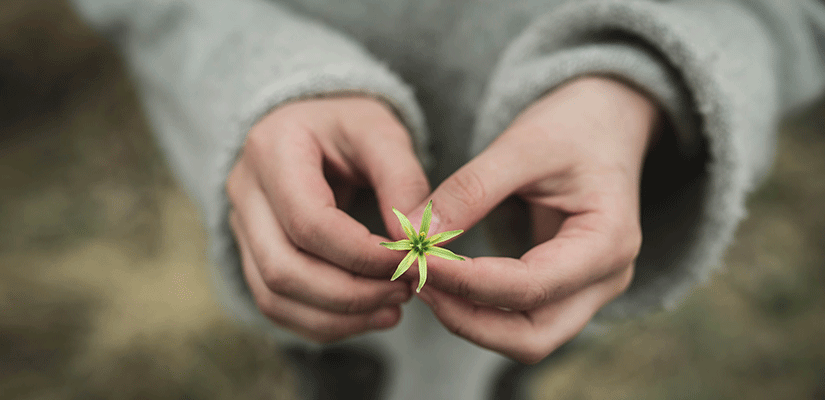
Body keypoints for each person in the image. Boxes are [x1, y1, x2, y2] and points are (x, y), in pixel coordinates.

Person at [69, 0, 825, 398]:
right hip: (316, 265)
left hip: (549, 263)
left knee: (505, 373)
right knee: (336, 372)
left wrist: (641, 86)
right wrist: (257, 76)